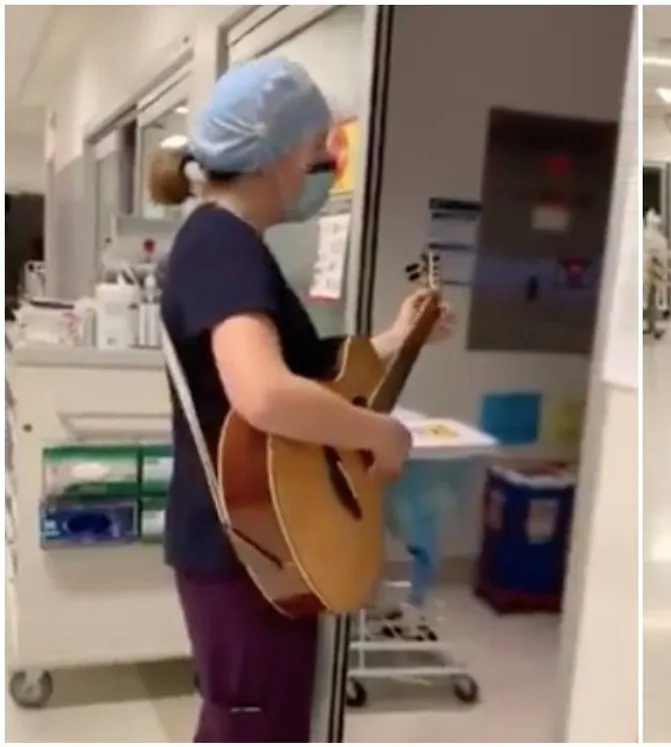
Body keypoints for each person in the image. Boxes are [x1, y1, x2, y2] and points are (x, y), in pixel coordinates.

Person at [149, 57, 452, 743]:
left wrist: (398, 337)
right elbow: (264, 392)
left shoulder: (232, 245)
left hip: (262, 537)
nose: (325, 167)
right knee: (252, 724)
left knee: (267, 719)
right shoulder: (222, 246)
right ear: (278, 155)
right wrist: (379, 433)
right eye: (319, 150)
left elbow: (308, 375)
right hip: (242, 545)